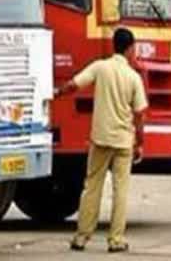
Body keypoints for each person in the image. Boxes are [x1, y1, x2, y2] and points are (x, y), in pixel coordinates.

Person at [58, 27, 148, 253]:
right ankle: (116, 239)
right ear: (130, 49)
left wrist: (56, 93)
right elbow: (139, 114)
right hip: (123, 141)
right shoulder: (133, 77)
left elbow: (74, 85)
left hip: (100, 138)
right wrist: (140, 142)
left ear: (113, 46)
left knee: (92, 187)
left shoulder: (100, 67)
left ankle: (81, 237)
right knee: (121, 190)